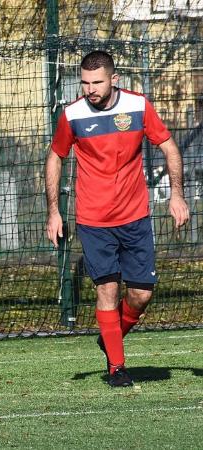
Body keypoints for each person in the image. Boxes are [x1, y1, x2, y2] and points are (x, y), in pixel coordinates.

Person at [45, 50, 189, 387]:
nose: (90, 89)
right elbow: (55, 157)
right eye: (85, 82)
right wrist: (54, 211)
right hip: (94, 219)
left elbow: (169, 147)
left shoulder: (138, 106)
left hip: (135, 216)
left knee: (141, 294)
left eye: (97, 82)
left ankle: (111, 336)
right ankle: (117, 367)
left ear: (114, 79)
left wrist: (177, 194)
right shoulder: (72, 115)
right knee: (107, 289)